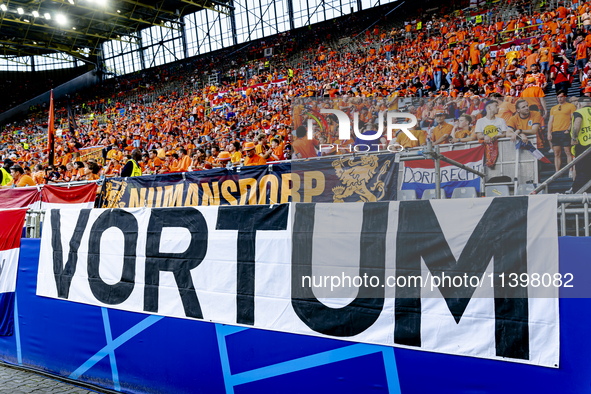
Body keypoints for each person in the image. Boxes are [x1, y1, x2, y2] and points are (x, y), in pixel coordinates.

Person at [548, 91, 577, 174]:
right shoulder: (553, 108)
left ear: (565, 97)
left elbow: (573, 119)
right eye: (558, 97)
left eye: (561, 97)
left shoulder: (570, 106)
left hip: (565, 132)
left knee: (568, 152)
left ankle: (570, 170)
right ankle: (557, 172)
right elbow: (550, 121)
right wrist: (549, 133)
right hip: (555, 132)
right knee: (556, 153)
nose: (559, 98)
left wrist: (568, 129)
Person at [570, 97, 591, 192]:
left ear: (580, 104)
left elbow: (577, 122)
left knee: (582, 171)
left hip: (583, 145)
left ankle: (577, 194)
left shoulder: (580, 112)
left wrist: (574, 138)